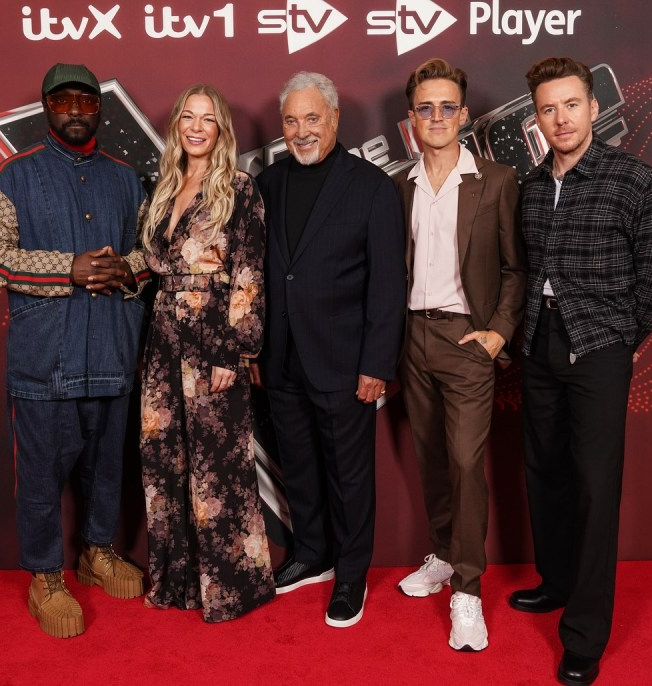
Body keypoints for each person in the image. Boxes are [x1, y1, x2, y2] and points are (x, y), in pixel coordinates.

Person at [510, 56, 652, 685]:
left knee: (593, 485)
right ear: (537, 115)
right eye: (548, 108)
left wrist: (623, 336)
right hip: (539, 343)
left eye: (571, 105)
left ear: (592, 106)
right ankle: (555, 581)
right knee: (544, 471)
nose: (560, 118)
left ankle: (583, 636)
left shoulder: (635, 180)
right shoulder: (531, 184)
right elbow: (526, 271)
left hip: (600, 351)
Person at [0, 63, 151, 638]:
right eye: (63, 101)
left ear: (100, 109)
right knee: (42, 476)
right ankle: (45, 575)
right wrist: (67, 268)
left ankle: (97, 553)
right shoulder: (13, 176)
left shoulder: (126, 179)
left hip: (114, 351)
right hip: (45, 357)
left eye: (85, 101)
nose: (75, 109)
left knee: (107, 468)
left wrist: (129, 269)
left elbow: (154, 250)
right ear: (47, 107)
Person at [253, 71, 406, 628]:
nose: (301, 131)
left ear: (335, 119)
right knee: (298, 466)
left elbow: (389, 284)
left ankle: (350, 574)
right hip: (281, 359)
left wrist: (376, 364)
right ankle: (311, 554)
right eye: (291, 121)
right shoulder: (267, 185)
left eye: (311, 118)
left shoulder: (370, 186)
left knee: (349, 474)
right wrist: (255, 352)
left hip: (346, 363)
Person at [392, 58, 526, 652]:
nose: (438, 116)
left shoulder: (495, 180)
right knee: (432, 460)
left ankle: (468, 590)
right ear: (411, 120)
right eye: (426, 107)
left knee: (468, 464)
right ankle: (444, 554)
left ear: (465, 115)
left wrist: (498, 331)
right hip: (411, 339)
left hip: (467, 340)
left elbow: (516, 268)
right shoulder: (399, 185)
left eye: (448, 106)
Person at [138, 84, 274, 622]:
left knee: (216, 472)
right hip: (163, 340)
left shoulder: (240, 189)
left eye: (208, 119)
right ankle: (176, 583)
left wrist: (235, 352)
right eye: (188, 117)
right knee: (164, 462)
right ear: (177, 126)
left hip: (213, 340)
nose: (196, 127)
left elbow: (247, 275)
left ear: (221, 131)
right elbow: (151, 263)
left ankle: (229, 590)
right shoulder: (164, 186)